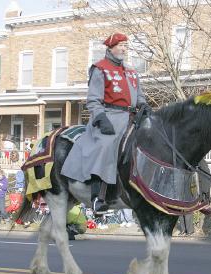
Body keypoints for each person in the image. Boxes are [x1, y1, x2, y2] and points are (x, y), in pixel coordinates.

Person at [61, 33, 148, 214]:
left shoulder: (131, 72)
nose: (124, 48)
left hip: (132, 117)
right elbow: (93, 100)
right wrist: (101, 118)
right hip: (109, 116)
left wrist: (143, 105)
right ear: (111, 48)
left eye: (126, 45)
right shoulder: (100, 69)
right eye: (121, 45)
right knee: (106, 145)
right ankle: (97, 197)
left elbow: (139, 95)